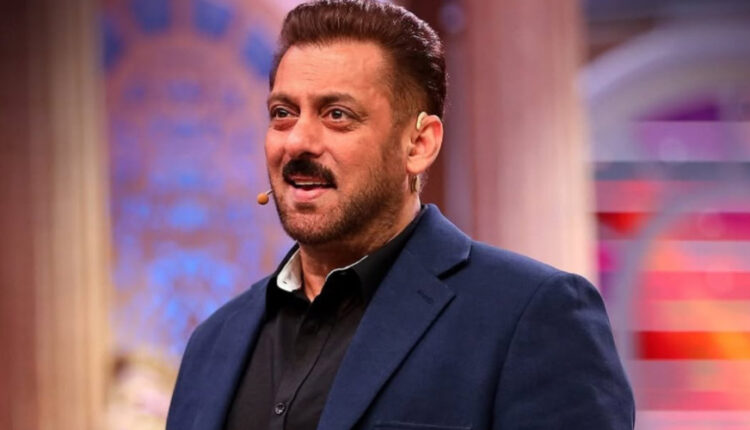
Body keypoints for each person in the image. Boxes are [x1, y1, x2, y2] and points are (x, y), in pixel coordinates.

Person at [166, 1, 635, 429]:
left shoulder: (531, 315)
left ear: (419, 144)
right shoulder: (212, 342)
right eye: (283, 113)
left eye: (337, 114)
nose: (298, 141)